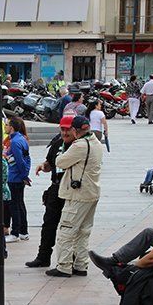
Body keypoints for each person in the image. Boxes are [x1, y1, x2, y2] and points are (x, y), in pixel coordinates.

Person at [46, 116, 102, 277]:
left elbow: (60, 162)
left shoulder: (80, 146)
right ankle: (80, 265)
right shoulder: (96, 143)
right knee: (83, 231)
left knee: (66, 230)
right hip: (91, 193)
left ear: (75, 130)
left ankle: (64, 266)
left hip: (78, 194)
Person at [26, 115, 77, 268]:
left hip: (72, 190)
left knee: (70, 226)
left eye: (68, 129)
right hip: (56, 188)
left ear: (75, 130)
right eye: (62, 129)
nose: (65, 133)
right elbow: (50, 164)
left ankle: (72, 260)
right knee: (49, 223)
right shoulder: (57, 143)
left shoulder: (79, 146)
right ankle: (43, 257)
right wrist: (43, 166)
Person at [4, 117, 31, 243]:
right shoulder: (22, 139)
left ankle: (15, 232)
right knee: (20, 204)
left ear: (12, 127)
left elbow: (19, 160)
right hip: (19, 176)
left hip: (14, 177)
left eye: (7, 125)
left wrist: (23, 175)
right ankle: (23, 231)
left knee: (14, 205)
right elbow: (26, 158)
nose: (5, 126)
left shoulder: (14, 142)